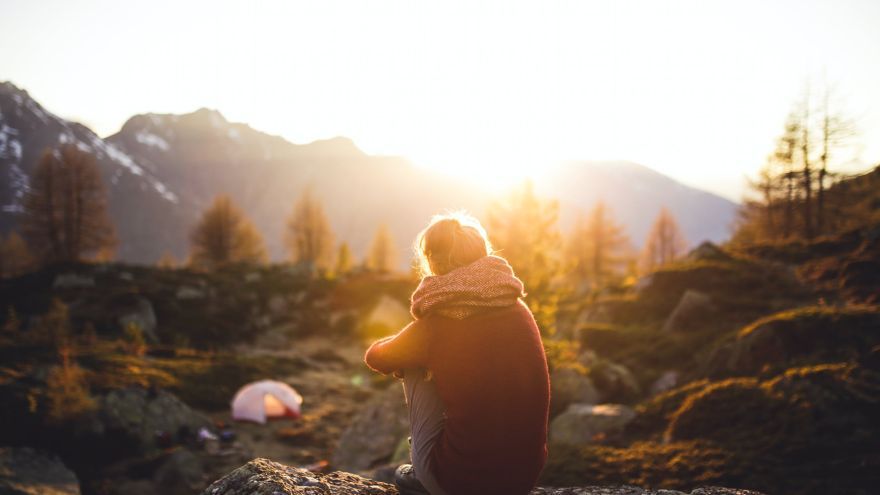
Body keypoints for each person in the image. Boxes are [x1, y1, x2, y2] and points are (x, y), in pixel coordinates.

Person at [364, 212, 550, 495]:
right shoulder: (517, 308)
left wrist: (412, 344)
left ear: (433, 261)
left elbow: (377, 357)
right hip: (521, 480)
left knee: (412, 363)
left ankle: (424, 468)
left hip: (459, 483)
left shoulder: (437, 323)